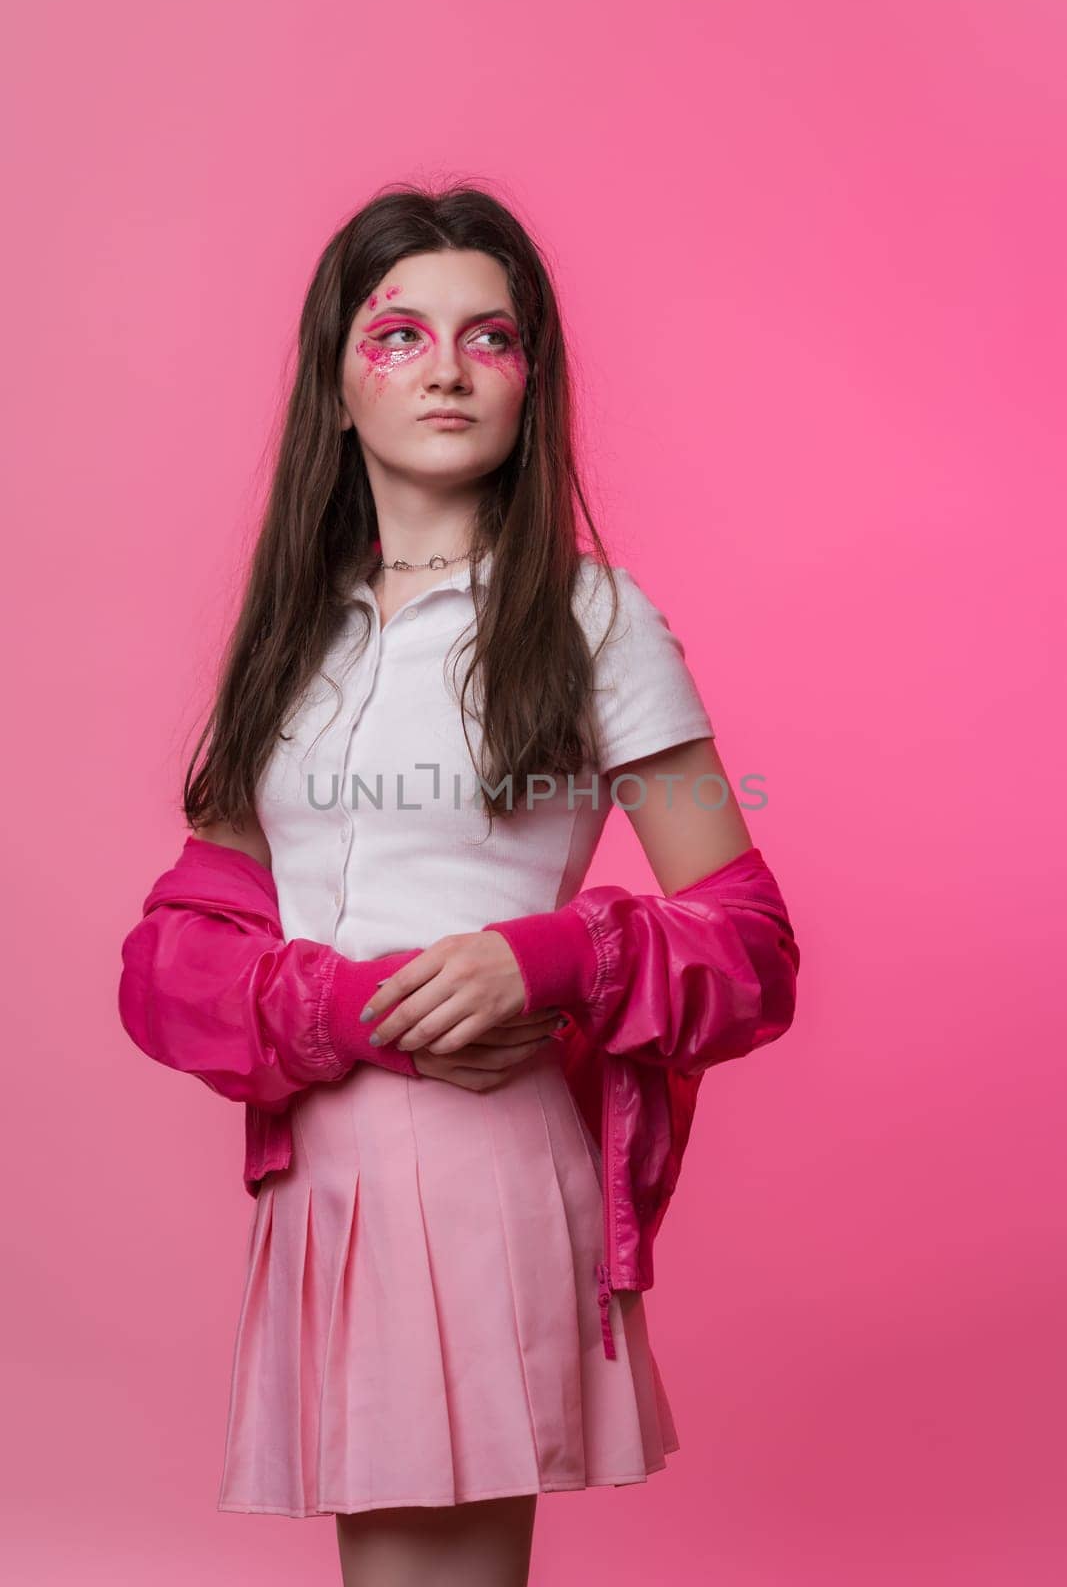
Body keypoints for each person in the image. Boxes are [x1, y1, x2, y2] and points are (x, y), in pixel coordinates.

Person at [125, 181, 798, 1587]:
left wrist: (553, 958)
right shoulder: (288, 644)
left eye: (488, 337)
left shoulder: (596, 620)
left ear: (529, 380)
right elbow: (179, 956)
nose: (445, 368)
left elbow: (748, 940)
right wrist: (348, 1012)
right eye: (400, 335)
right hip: (326, 1175)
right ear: (337, 381)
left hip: (483, 1162)